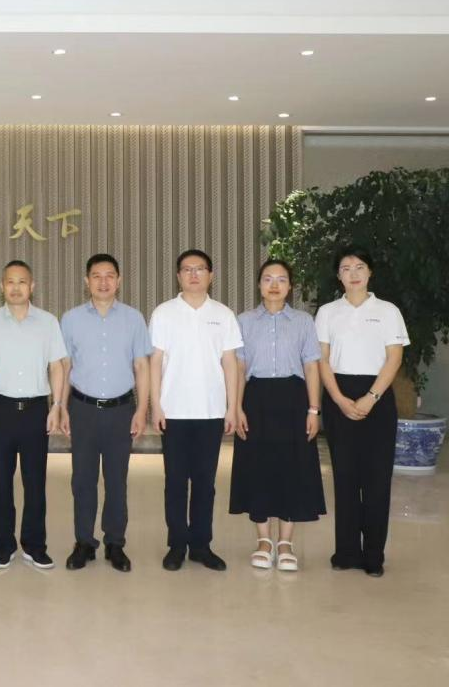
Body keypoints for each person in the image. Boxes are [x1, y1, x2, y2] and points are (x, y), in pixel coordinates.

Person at [315, 246, 409, 578]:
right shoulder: (327, 312)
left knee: (376, 478)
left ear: (370, 272)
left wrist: (371, 397)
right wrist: (338, 399)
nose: (353, 273)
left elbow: (394, 358)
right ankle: (346, 552)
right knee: (344, 476)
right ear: (338, 275)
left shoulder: (387, 311)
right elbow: (322, 359)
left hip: (377, 395)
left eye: (359, 267)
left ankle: (373, 555)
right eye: (345, 268)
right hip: (338, 393)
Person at [229, 259, 326, 572]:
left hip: (294, 399)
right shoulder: (243, 321)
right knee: (257, 467)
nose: (274, 285)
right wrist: (236, 407)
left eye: (281, 279)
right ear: (259, 284)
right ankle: (263, 541)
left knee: (292, 467)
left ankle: (285, 542)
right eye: (268, 279)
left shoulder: (303, 321)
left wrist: (314, 409)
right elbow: (239, 367)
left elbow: (311, 365)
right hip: (255, 398)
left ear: (290, 286)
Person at [148, 249, 242, 572]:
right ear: (178, 276)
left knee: (205, 482)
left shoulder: (223, 315)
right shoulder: (164, 313)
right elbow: (155, 362)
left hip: (211, 412)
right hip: (173, 411)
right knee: (175, 482)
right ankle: (177, 545)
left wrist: (232, 407)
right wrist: (156, 405)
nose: (193, 274)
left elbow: (230, 363)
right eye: (187, 269)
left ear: (210, 276)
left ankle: (201, 545)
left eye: (200, 269)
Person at [0, 260, 68, 570]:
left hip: (36, 410)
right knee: (0, 483)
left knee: (35, 483)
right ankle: (3, 545)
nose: (16, 287)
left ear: (32, 286)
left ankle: (35, 546)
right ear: (2, 287)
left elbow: (57, 366)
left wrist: (57, 406)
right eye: (10, 282)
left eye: (22, 282)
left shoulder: (48, 322)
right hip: (0, 410)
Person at [59, 253, 151, 573]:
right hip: (82, 409)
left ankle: (115, 543)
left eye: (109, 275)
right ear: (86, 281)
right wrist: (60, 407)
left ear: (119, 280)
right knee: (82, 480)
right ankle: (84, 542)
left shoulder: (134, 319)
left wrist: (142, 409)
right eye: (96, 276)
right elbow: (64, 367)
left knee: (116, 480)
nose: (103, 281)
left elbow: (142, 366)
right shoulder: (71, 319)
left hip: (121, 410)